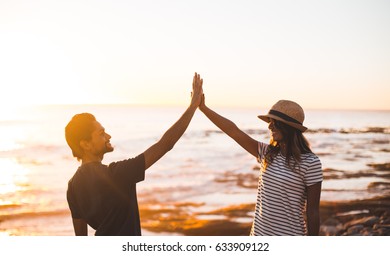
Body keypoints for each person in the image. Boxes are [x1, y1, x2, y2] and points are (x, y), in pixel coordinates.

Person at [64, 73, 203, 236]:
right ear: (85, 144)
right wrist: (193, 106)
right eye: (101, 133)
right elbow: (165, 144)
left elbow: (81, 239)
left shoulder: (72, 186)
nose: (108, 136)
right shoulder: (115, 174)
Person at [199, 97, 323, 236]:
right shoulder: (267, 153)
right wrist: (203, 108)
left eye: (275, 122)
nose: (270, 126)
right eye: (270, 122)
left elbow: (313, 211)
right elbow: (233, 131)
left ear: (289, 127)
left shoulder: (311, 162)